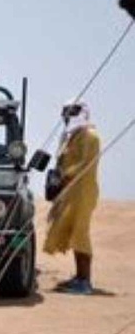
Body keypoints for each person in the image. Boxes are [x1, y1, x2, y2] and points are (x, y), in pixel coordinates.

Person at [44, 101, 101, 294]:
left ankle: (85, 281)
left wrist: (64, 178)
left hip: (82, 191)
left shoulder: (90, 136)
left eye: (72, 112)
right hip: (68, 191)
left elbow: (85, 165)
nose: (68, 116)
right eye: (65, 112)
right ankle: (79, 277)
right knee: (71, 231)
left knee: (80, 233)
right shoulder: (71, 137)